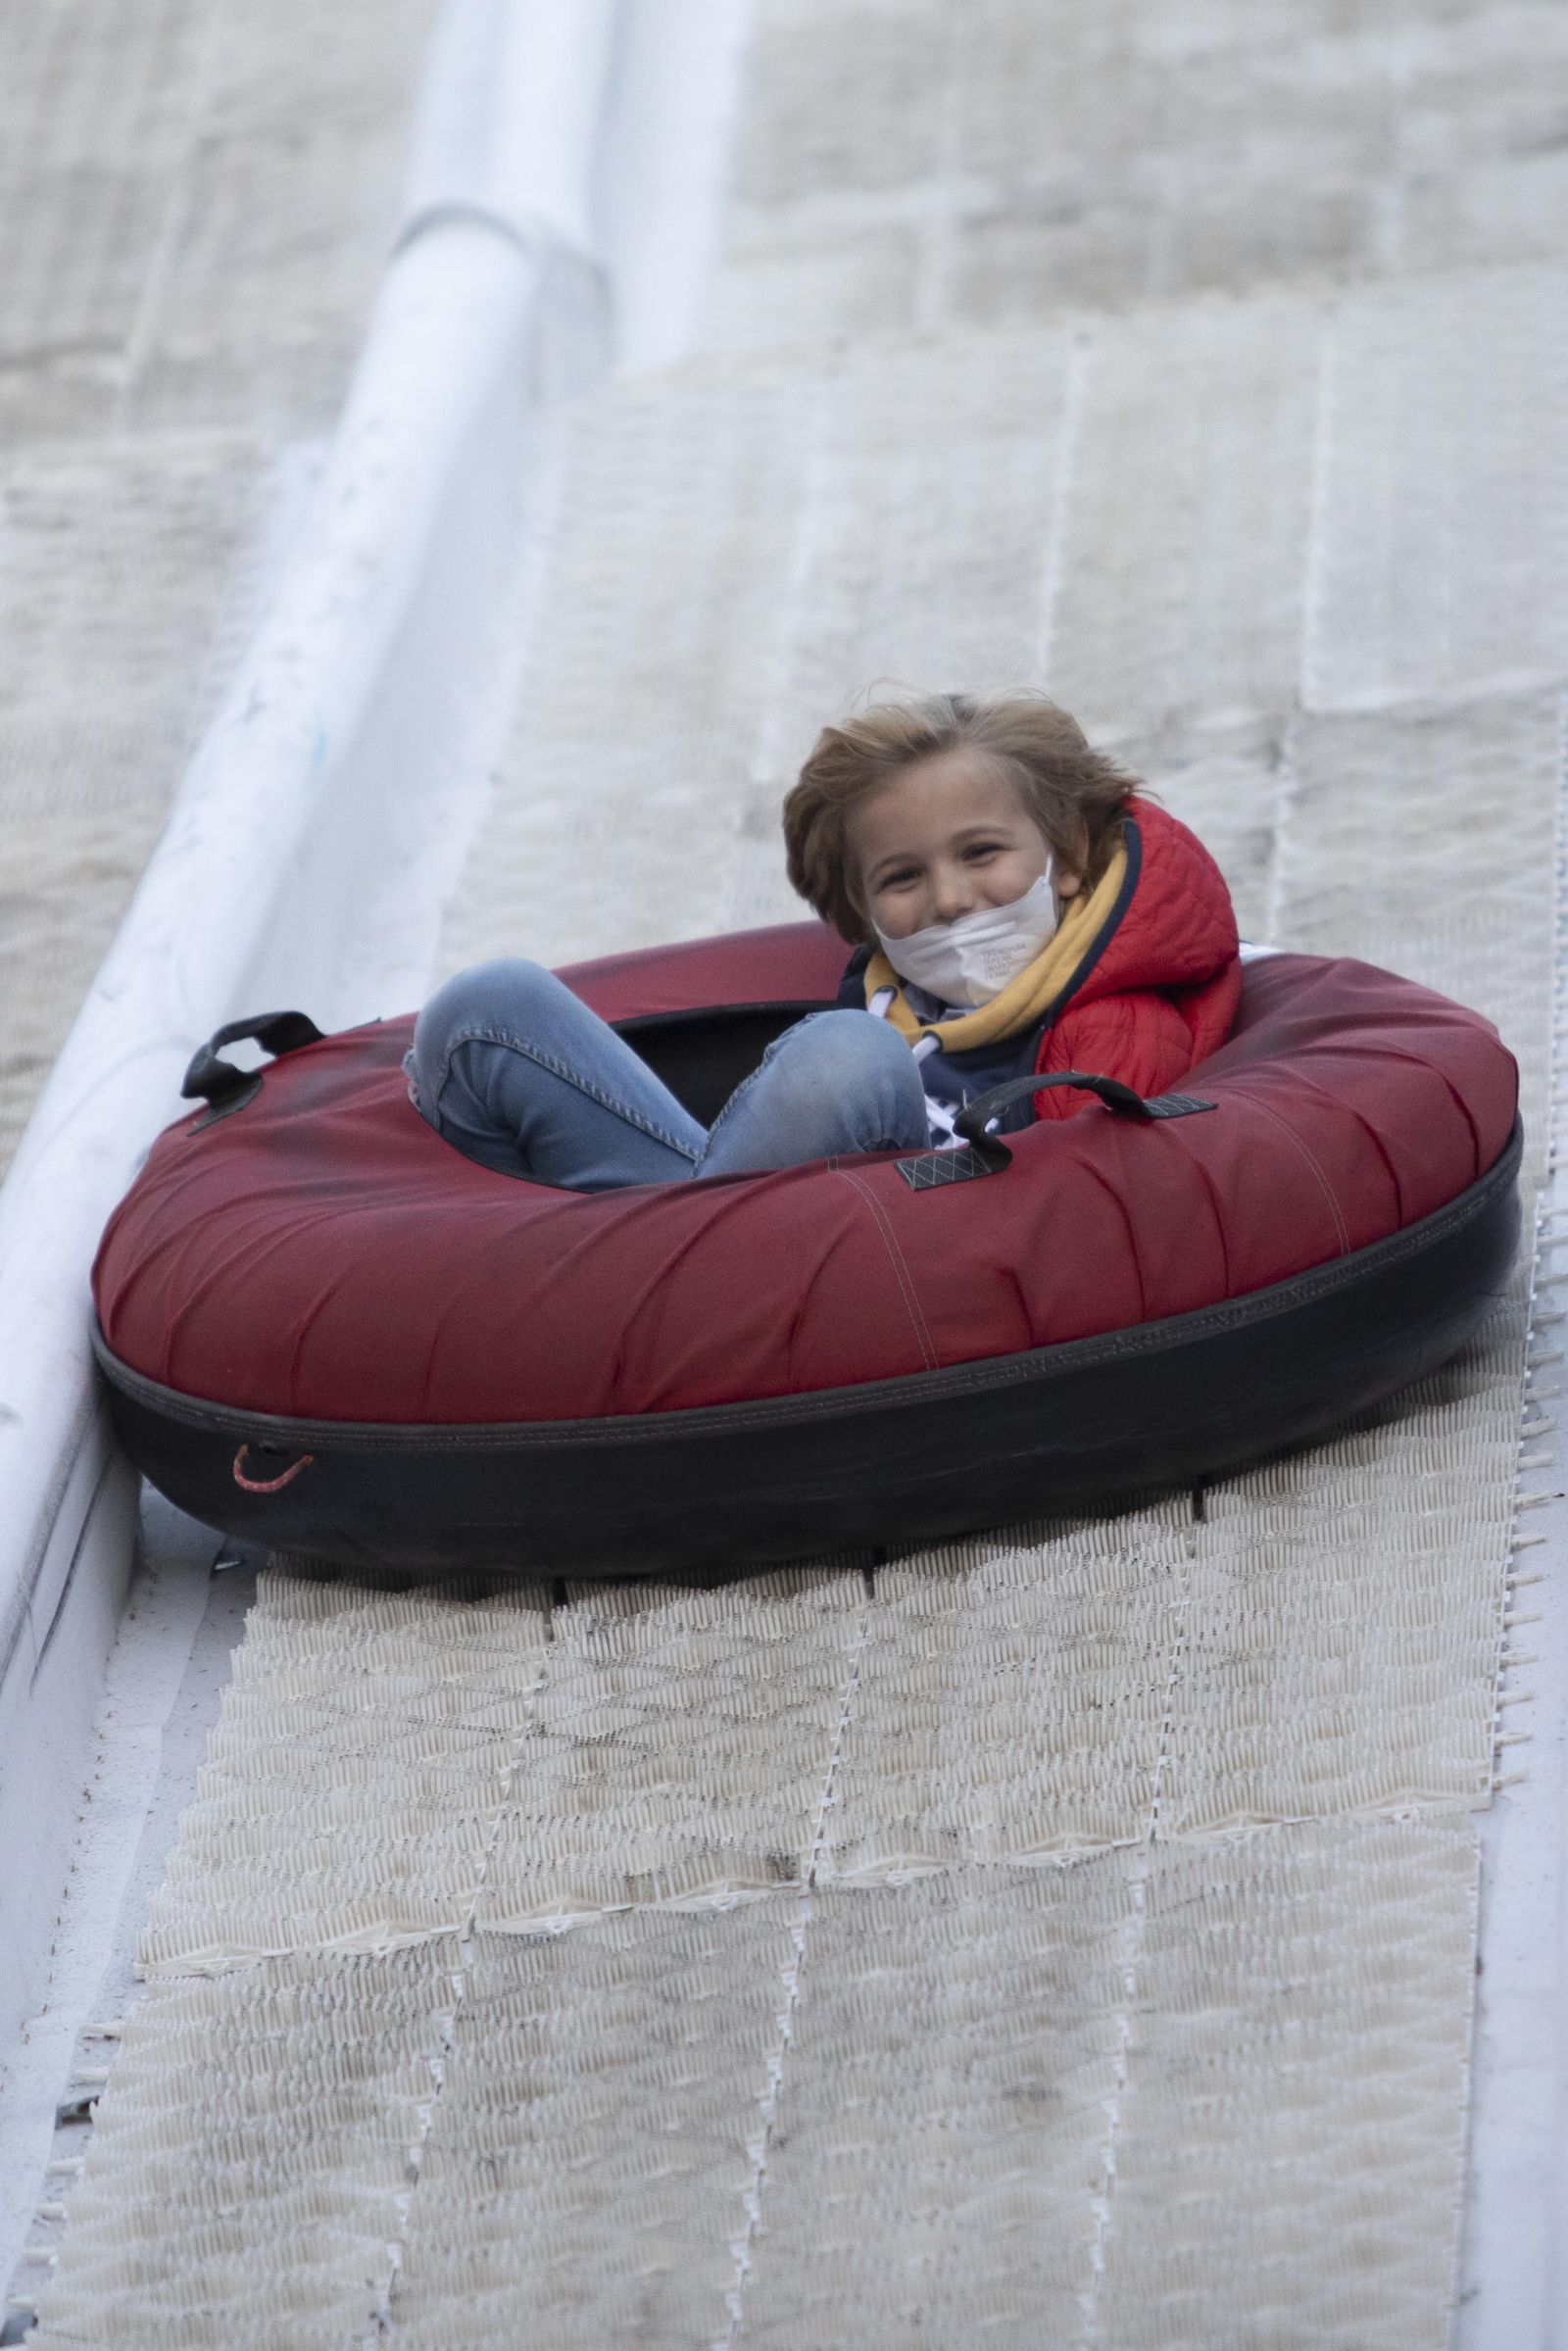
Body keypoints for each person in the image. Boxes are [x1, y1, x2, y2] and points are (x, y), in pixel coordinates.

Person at [404, 692, 1242, 1189]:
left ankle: (638, 1297)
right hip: (726, 1235)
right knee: (490, 1005)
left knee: (852, 1054)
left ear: (1069, 856)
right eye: (902, 879)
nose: (949, 900)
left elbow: (1095, 1217)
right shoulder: (888, 1000)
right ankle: (531, 1282)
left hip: (893, 1283)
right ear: (861, 908)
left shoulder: (1113, 1019)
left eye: (981, 854)